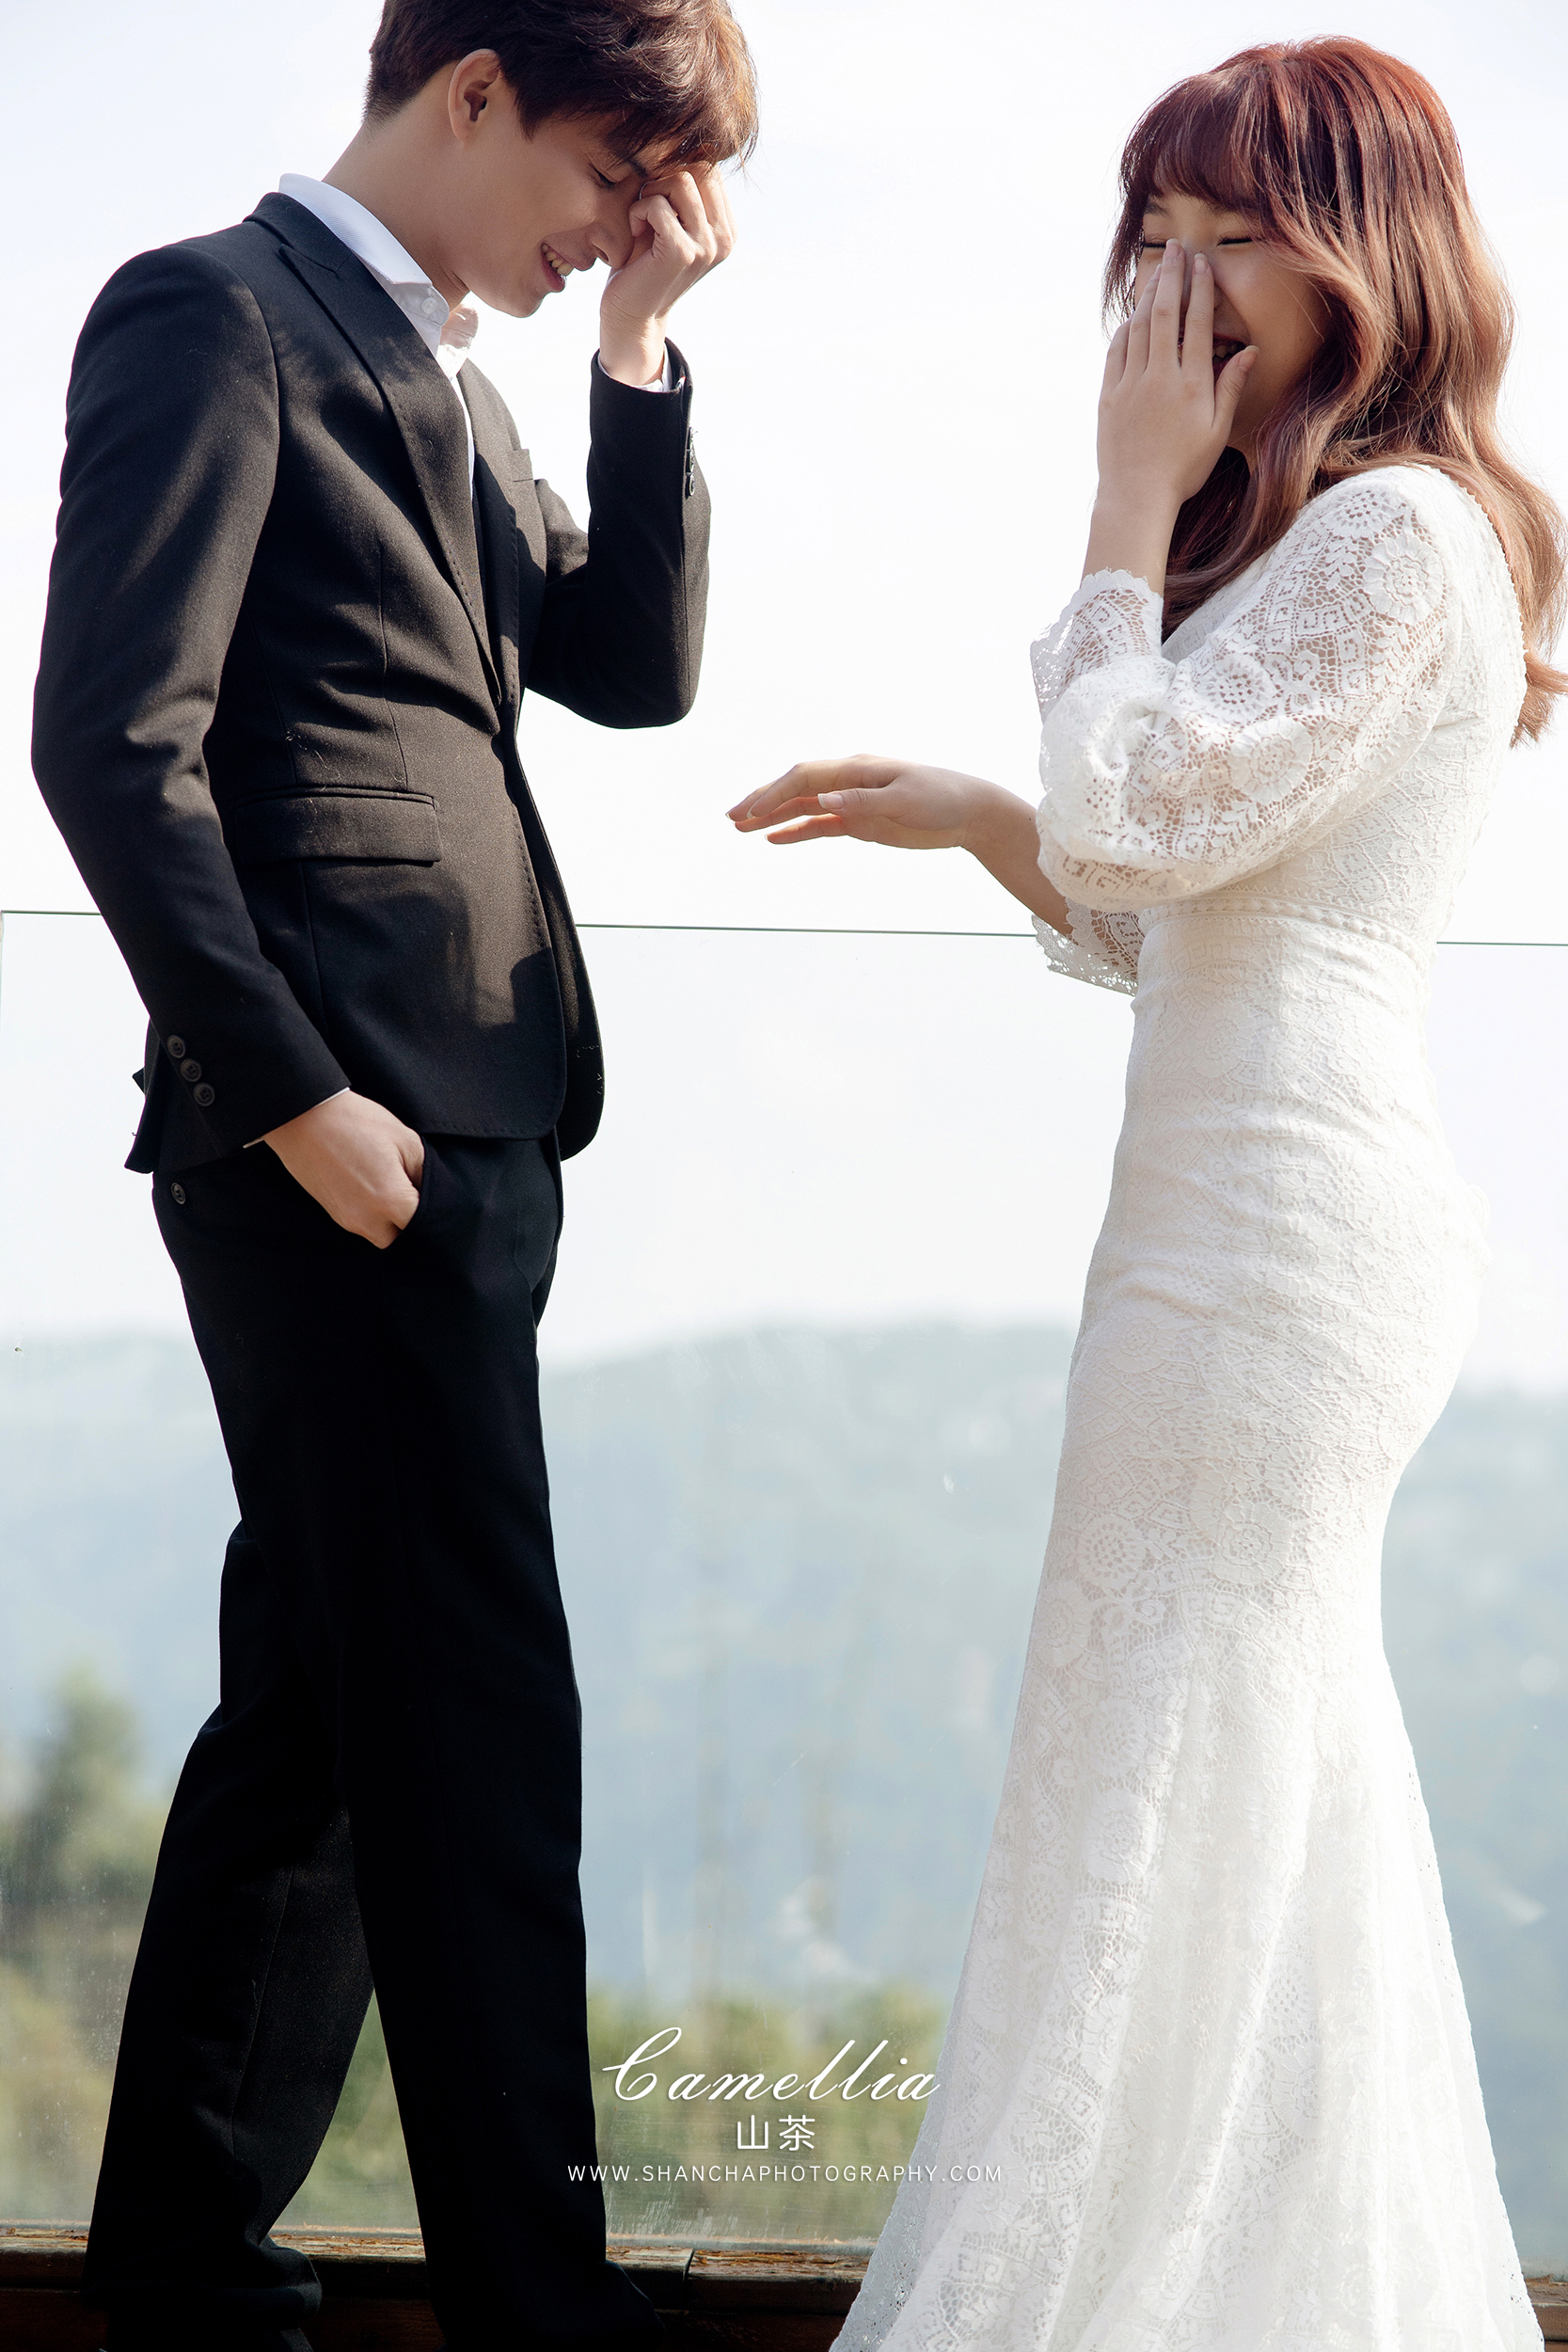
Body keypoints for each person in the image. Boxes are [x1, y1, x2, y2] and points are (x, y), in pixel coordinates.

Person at [731, 38, 1561, 2349]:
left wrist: (1119, 509)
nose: (1175, 290)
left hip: (1275, 1239)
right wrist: (987, 816)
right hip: (1241, 1208)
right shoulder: (1357, 528)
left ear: (1365, 252)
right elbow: (1153, 898)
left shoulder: (1395, 530)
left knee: (1159, 1782)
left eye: (1232, 236)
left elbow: (1139, 822)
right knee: (1240, 1790)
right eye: (1155, 236)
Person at [31, 3, 755, 2347]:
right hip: (342, 1145)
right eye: (610, 180)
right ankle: (540, 2301)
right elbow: (111, 746)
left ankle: (179, 2269)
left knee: (329, 1718)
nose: (616, 232)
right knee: (473, 1716)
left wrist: (639, 354)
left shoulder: (457, 386)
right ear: (472, 90)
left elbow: (633, 664)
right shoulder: (215, 314)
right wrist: (297, 1098)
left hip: (472, 1125)